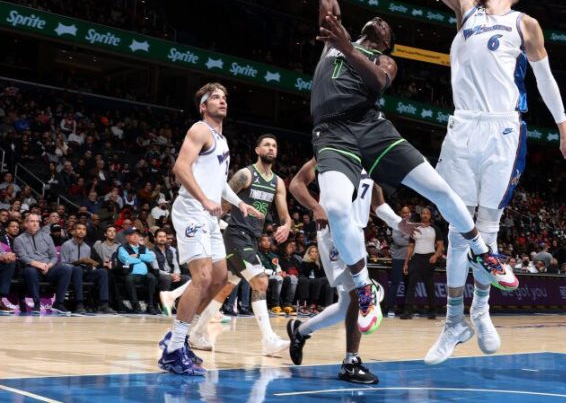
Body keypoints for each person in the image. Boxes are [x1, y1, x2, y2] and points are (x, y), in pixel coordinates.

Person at [379, 0, 566, 364]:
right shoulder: (466, 9)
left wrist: (564, 128)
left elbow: (545, 79)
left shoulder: (524, 23)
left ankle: (481, 309)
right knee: (457, 225)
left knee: (487, 226)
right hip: (463, 126)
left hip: (504, 128)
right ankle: (454, 321)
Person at [309, 0, 517, 337]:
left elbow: (378, 83)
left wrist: (348, 47)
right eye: (376, 20)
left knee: (441, 190)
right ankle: (365, 287)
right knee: (335, 208)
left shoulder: (384, 61)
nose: (380, 22)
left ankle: (482, 250)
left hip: (371, 128)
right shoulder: (335, 39)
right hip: (331, 134)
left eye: (387, 27)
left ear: (386, 44)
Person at [158, 83, 263, 375]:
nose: (222, 101)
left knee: (219, 279)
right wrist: (204, 199)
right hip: (192, 210)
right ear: (203, 106)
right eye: (215, 97)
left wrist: (238, 203)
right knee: (202, 277)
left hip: (209, 215)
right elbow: (180, 168)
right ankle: (174, 351)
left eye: (224, 97)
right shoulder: (200, 129)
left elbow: (218, 183)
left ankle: (176, 338)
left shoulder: (222, 140)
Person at [286, 157, 416, 385]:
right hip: (333, 232)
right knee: (360, 293)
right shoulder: (328, 150)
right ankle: (350, 363)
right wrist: (316, 207)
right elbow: (296, 184)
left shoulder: (369, 158)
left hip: (356, 234)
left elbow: (377, 202)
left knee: (346, 305)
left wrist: (398, 222)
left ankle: (301, 331)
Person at [187, 134, 290, 357]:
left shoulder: (278, 182)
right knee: (261, 281)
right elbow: (221, 202)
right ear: (257, 150)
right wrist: (211, 229)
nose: (271, 148)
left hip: (252, 238)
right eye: (266, 145)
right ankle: (269, 339)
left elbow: (284, 215)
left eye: (274, 145)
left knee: (225, 287)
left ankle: (196, 333)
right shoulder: (245, 175)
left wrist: (287, 225)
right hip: (235, 234)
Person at [59, 222, 115, 313]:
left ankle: (104, 304)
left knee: (103, 272)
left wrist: (90, 265)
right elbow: (63, 264)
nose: (81, 231)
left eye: (84, 229)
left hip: (85, 272)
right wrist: (77, 263)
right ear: (73, 232)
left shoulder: (87, 248)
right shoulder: (66, 245)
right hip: (71, 274)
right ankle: (79, 303)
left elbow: (88, 264)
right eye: (79, 229)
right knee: (78, 269)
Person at [401, 208, 443, 320]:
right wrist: (406, 263)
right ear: (420, 215)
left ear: (430, 215)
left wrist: (436, 255)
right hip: (416, 258)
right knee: (411, 285)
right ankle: (408, 312)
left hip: (429, 258)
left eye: (427, 213)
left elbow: (440, 245)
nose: (425, 215)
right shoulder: (414, 229)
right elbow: (410, 247)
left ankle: (432, 311)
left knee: (430, 286)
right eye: (423, 213)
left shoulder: (435, 229)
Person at [116, 227, 159, 314]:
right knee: (129, 279)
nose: (135, 236)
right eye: (132, 234)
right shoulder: (122, 248)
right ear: (127, 237)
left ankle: (150, 306)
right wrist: (142, 259)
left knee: (152, 278)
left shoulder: (143, 248)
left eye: (137, 234)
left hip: (145, 274)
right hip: (131, 273)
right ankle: (135, 305)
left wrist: (138, 255)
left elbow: (151, 258)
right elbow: (127, 259)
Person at [384, 205, 413, 317]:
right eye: (404, 212)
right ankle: (391, 308)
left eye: (408, 212)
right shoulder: (397, 225)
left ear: (410, 213)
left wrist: (408, 239)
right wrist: (411, 242)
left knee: (408, 285)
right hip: (398, 259)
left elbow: (415, 239)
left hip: (409, 259)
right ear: (401, 214)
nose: (406, 214)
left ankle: (406, 309)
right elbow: (398, 241)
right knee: (395, 283)